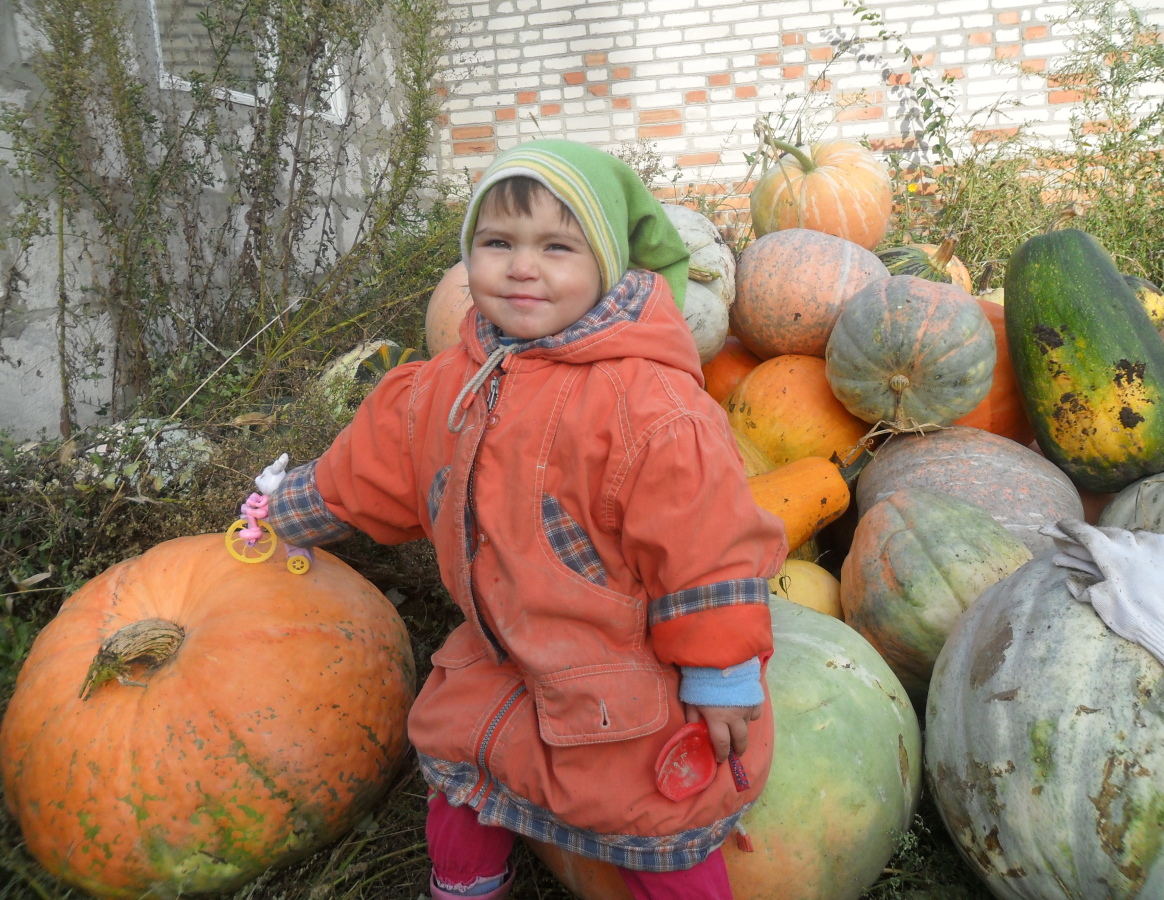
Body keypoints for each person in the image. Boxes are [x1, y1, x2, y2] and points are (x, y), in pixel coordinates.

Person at [258, 138, 789, 900]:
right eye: (497, 242)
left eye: (557, 247)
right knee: (464, 774)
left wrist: (721, 671)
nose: (521, 266)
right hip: (503, 655)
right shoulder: (450, 382)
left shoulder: (650, 406)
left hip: (623, 674)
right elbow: (375, 465)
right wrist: (288, 509)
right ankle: (465, 885)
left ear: (606, 266)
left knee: (654, 826)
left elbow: (708, 546)